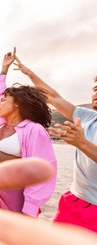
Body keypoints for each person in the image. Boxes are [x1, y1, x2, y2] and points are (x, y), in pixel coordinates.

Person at [14, 57, 97, 232]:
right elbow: (52, 96)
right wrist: (29, 73)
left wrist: (81, 143)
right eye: (95, 88)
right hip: (74, 200)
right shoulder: (89, 116)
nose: (96, 92)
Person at [0, 47, 57, 217]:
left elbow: (43, 170)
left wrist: (31, 208)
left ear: (17, 103)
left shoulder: (34, 130)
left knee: (11, 236)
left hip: (14, 192)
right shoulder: (0, 120)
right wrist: (4, 70)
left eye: (4, 100)